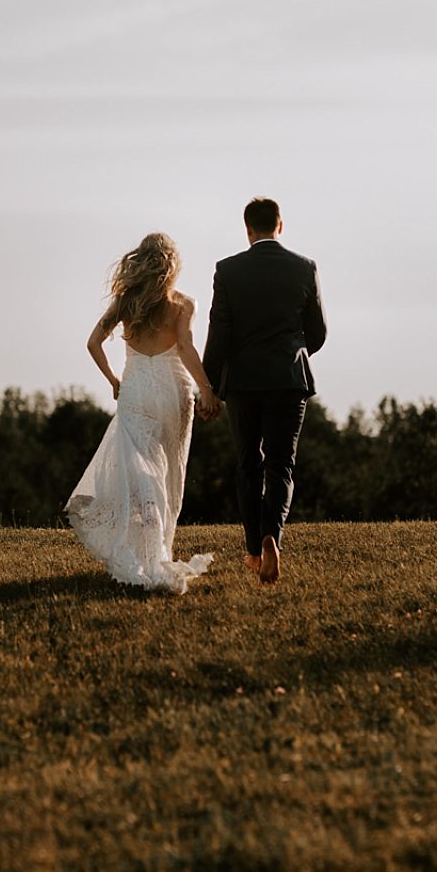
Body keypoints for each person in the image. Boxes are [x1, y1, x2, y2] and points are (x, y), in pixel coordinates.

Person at [68, 231, 218, 593]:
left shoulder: (125, 303)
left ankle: (148, 551)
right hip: (173, 391)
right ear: (172, 266)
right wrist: (207, 389)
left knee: (141, 471)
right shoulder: (184, 304)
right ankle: (161, 548)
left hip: (135, 390)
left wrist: (113, 379)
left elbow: (93, 343)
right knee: (171, 472)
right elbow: (185, 347)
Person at [201, 197, 326, 586]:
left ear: (248, 229)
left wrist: (209, 384)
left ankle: (254, 549)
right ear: (280, 226)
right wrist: (291, 347)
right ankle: (274, 534)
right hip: (289, 379)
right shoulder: (304, 268)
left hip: (242, 382)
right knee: (281, 464)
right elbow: (318, 333)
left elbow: (218, 332)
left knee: (248, 464)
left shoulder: (228, 270)